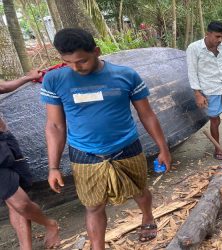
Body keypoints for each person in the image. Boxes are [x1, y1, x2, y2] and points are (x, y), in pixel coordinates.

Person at [41, 28, 171, 249]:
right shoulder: (54, 80)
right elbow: (55, 125)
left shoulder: (126, 75)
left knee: (139, 190)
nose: (75, 67)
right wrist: (53, 167)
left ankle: (147, 216)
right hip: (84, 154)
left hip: (126, 148)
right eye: (67, 62)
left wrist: (163, 148)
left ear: (97, 51)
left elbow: (147, 114)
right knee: (93, 206)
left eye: (81, 61)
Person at [0, 70, 61, 249]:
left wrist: (28, 77)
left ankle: (28, 245)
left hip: (5, 141)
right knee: (17, 201)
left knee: (16, 200)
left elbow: (3, 87)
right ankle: (49, 225)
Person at [186, 21, 222, 160]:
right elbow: (192, 72)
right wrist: (197, 93)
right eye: (217, 36)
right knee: (215, 121)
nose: (220, 40)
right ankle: (218, 148)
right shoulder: (194, 48)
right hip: (209, 90)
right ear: (207, 33)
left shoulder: (221, 46)